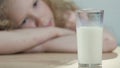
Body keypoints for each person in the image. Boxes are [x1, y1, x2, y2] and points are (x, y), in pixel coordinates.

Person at [0, 0, 117, 54]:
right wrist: (55, 32)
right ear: (10, 28)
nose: (41, 20)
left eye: (35, 4)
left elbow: (108, 42)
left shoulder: (65, 17)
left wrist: (85, 23)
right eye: (25, 20)